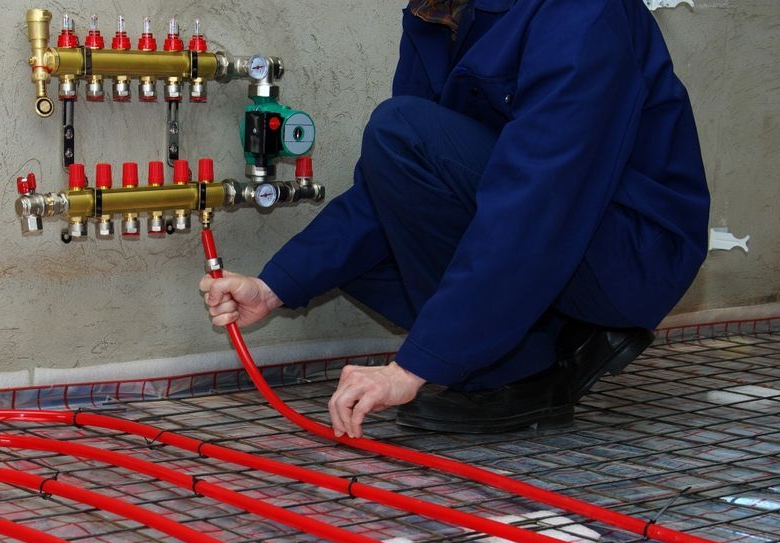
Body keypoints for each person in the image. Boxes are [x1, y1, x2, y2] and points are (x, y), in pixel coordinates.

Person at [199, 0, 710, 438]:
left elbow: (538, 204)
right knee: (356, 246)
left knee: (399, 131)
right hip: (552, 227)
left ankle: (517, 376)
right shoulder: (436, 10)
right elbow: (393, 184)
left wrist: (412, 368)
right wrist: (276, 286)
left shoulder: (582, 13)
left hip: (628, 250)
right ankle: (545, 338)